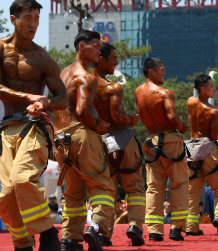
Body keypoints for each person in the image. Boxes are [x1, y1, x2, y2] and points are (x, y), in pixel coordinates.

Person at [0, 0, 68, 250]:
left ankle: (48, 233)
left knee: (22, 179)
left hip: (34, 127)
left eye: (36, 18)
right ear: (13, 19)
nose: (33, 23)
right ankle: (22, 242)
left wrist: (44, 105)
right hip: (6, 131)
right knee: (7, 195)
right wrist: (31, 97)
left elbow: (62, 98)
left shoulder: (43, 58)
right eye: (27, 18)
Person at [53, 30, 115, 251]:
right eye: (96, 46)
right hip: (82, 135)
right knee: (103, 187)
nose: (100, 50)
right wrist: (98, 124)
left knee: (74, 192)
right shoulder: (86, 77)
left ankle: (69, 238)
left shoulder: (63, 73)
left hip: (61, 139)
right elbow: (82, 110)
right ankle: (95, 227)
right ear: (82, 47)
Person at [92, 42, 145, 247]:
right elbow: (117, 116)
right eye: (113, 59)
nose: (117, 62)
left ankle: (104, 232)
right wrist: (131, 118)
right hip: (122, 140)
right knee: (135, 188)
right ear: (101, 59)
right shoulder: (113, 87)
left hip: (101, 144)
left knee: (107, 191)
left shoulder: (85, 85)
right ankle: (135, 226)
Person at [135, 58, 189, 242]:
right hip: (170, 141)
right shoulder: (165, 93)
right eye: (162, 70)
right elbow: (173, 119)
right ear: (151, 72)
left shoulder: (138, 92)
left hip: (151, 141)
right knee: (180, 183)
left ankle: (154, 231)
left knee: (154, 188)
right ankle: (176, 228)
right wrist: (181, 126)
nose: (164, 73)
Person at [185, 74, 218, 236]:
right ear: (203, 89)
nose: (214, 89)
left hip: (191, 149)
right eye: (211, 87)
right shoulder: (214, 111)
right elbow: (213, 135)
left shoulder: (190, 102)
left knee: (192, 190)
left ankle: (191, 227)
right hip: (208, 150)